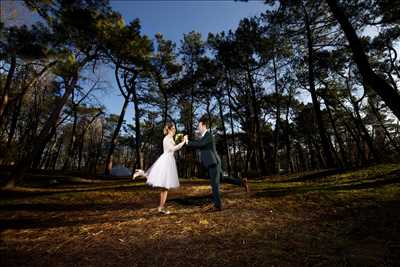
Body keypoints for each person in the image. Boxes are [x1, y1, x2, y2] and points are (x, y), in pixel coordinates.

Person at [185, 115, 249, 212]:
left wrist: (187, 142)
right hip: (214, 162)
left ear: (203, 126)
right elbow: (199, 143)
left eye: (199, 126)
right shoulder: (204, 137)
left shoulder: (208, 135)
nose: (198, 128)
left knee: (214, 184)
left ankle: (217, 205)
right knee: (222, 178)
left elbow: (200, 144)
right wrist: (187, 141)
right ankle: (241, 182)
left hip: (213, 163)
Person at [134, 122, 186, 214]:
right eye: (173, 128)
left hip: (169, 160)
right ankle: (142, 173)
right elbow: (173, 149)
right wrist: (183, 142)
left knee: (165, 188)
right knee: (163, 185)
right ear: (169, 129)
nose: (175, 130)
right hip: (166, 161)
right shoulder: (166, 138)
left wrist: (180, 140)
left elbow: (174, 147)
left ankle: (161, 207)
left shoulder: (171, 138)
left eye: (175, 128)